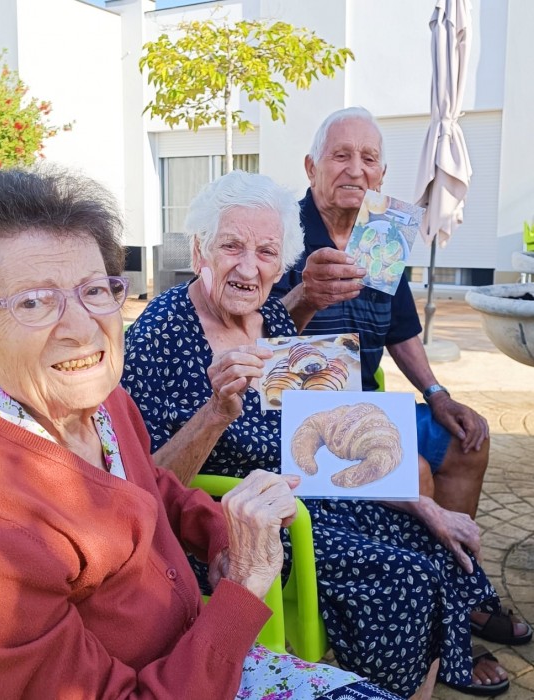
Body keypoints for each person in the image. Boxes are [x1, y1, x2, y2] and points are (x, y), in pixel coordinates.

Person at [0, 168, 403, 700]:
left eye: (94, 290)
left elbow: (152, 484)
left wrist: (221, 537)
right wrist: (243, 588)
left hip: (194, 652)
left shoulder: (101, 402)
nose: (82, 328)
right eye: (32, 302)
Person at [122, 169, 530, 698]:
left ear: (282, 264)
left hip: (316, 497)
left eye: (267, 252)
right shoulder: (160, 333)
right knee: (405, 579)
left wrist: (425, 506)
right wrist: (215, 413)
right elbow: (142, 483)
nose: (248, 266)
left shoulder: (272, 318)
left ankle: (424, 675)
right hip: (239, 525)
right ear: (200, 249)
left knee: (438, 546)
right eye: (231, 246)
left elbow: (322, 442)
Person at [272, 106, 490, 522]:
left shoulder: (382, 234)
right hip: (297, 413)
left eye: (368, 159)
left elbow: (401, 330)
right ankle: (413, 558)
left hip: (366, 404)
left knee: (468, 442)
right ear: (311, 167)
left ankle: (453, 556)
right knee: (413, 471)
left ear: (381, 175)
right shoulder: (279, 232)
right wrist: (305, 296)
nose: (356, 170)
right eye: (341, 156)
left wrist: (437, 394)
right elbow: (252, 333)